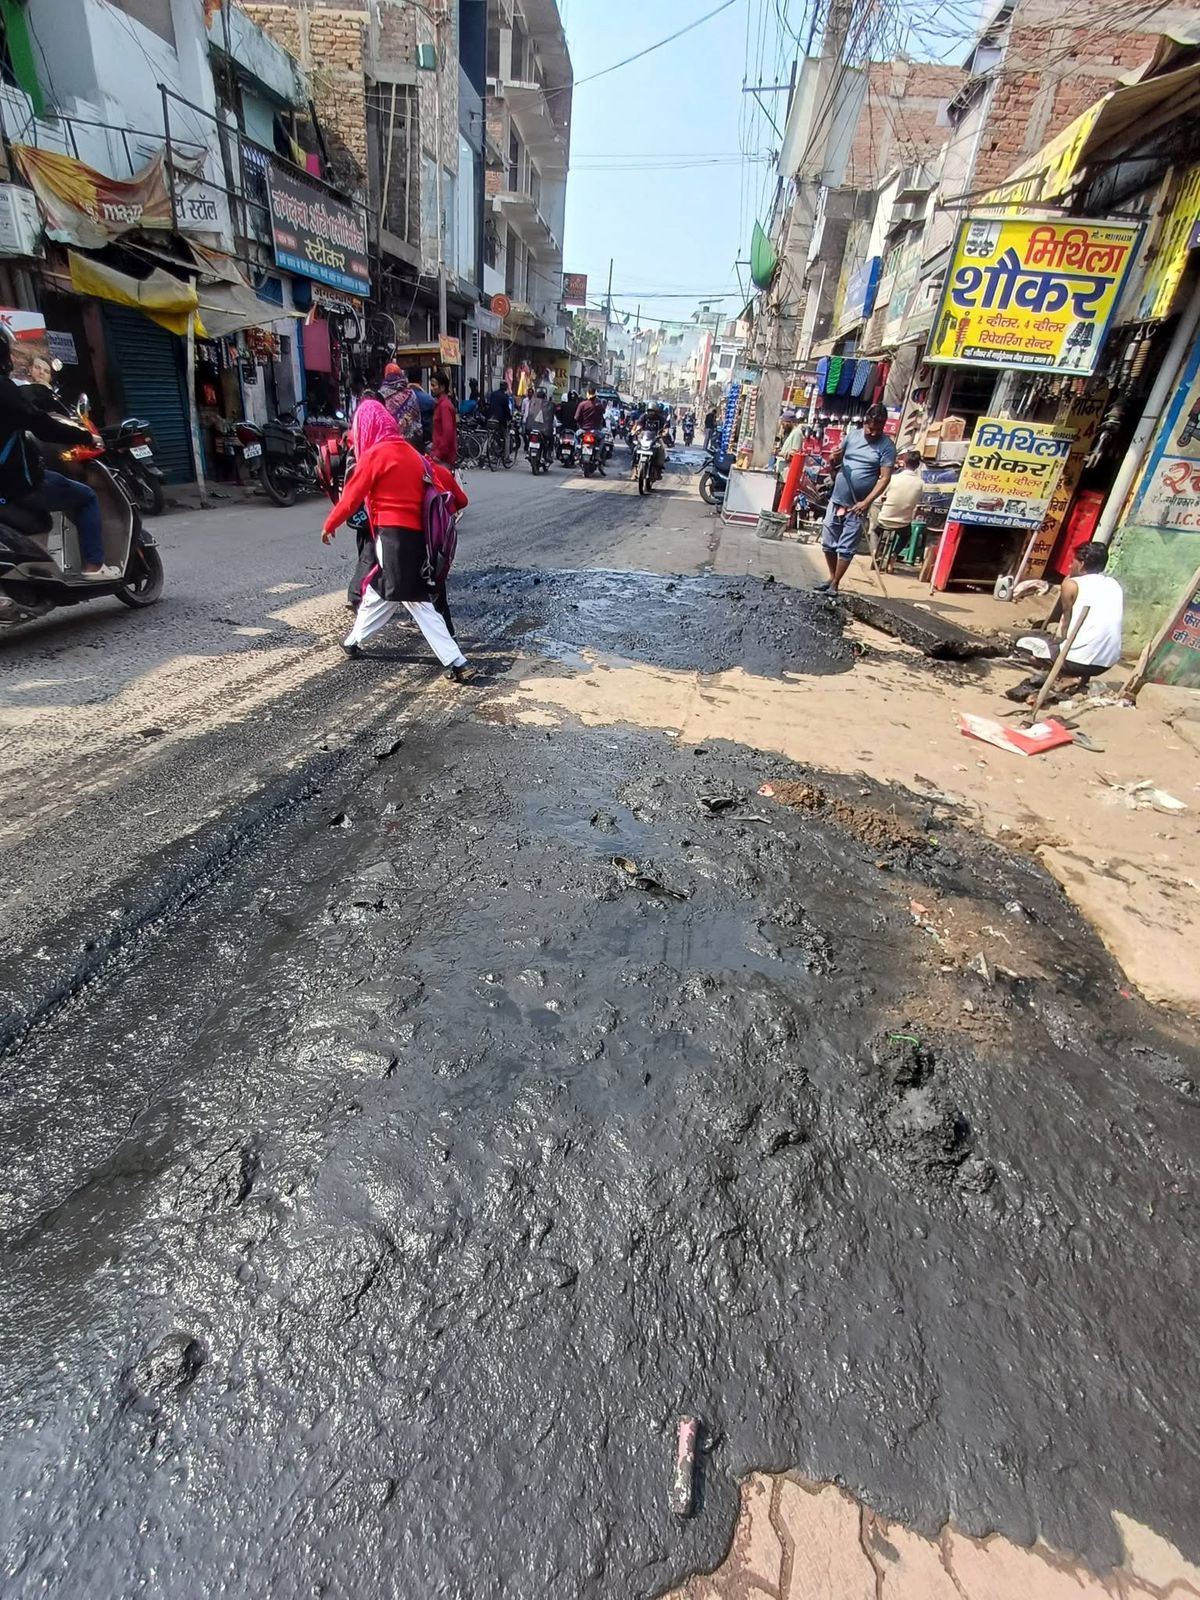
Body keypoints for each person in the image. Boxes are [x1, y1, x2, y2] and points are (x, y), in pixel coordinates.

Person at [323, 403, 472, 681]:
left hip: (392, 537)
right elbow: (444, 495)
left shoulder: (376, 455)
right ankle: (352, 641)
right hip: (418, 539)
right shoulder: (414, 456)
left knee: (415, 600)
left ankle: (457, 661)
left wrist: (330, 524)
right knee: (380, 593)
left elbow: (352, 498)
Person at [0, 330, 116, 579]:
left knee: (40, 520)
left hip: (6, 489)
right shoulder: (5, 390)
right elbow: (43, 427)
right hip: (18, 482)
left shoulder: (34, 391)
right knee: (86, 497)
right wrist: (87, 437)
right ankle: (94, 567)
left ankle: (36, 578)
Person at [1006, 542, 1124, 703]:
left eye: (1072, 561)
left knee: (1021, 641)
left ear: (1082, 564)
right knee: (1071, 643)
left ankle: (1067, 674)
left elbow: (1066, 626)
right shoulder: (1114, 585)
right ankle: (1075, 677)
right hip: (1107, 662)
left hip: (1075, 661)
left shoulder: (1071, 584)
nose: (1069, 566)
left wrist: (1059, 642)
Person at [815, 402, 896, 594]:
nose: (873, 433)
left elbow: (884, 478)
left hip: (858, 505)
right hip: (837, 499)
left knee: (846, 546)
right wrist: (833, 458)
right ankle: (832, 577)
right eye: (870, 428)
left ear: (883, 426)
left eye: (878, 429)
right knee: (828, 542)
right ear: (865, 422)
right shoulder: (852, 436)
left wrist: (866, 502)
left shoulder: (887, 447)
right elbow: (835, 463)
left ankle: (835, 583)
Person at [869, 448, 924, 569]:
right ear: (917, 466)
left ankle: (875, 551)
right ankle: (894, 555)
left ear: (904, 463)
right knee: (906, 535)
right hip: (903, 523)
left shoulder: (892, 478)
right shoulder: (921, 483)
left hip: (884, 519)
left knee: (874, 530)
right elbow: (917, 501)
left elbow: (880, 497)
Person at [379, 361, 423, 445]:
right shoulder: (410, 393)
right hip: (410, 442)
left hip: (390, 441)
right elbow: (416, 417)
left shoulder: (381, 395)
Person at [429, 367, 458, 469]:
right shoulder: (441, 404)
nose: (431, 388)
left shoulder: (444, 406)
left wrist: (438, 453)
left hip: (443, 458)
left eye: (434, 385)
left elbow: (447, 432)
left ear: (442, 387)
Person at [406, 366, 435, 451]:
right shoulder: (429, 400)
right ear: (421, 380)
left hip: (406, 443)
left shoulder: (401, 398)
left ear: (408, 379)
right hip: (423, 443)